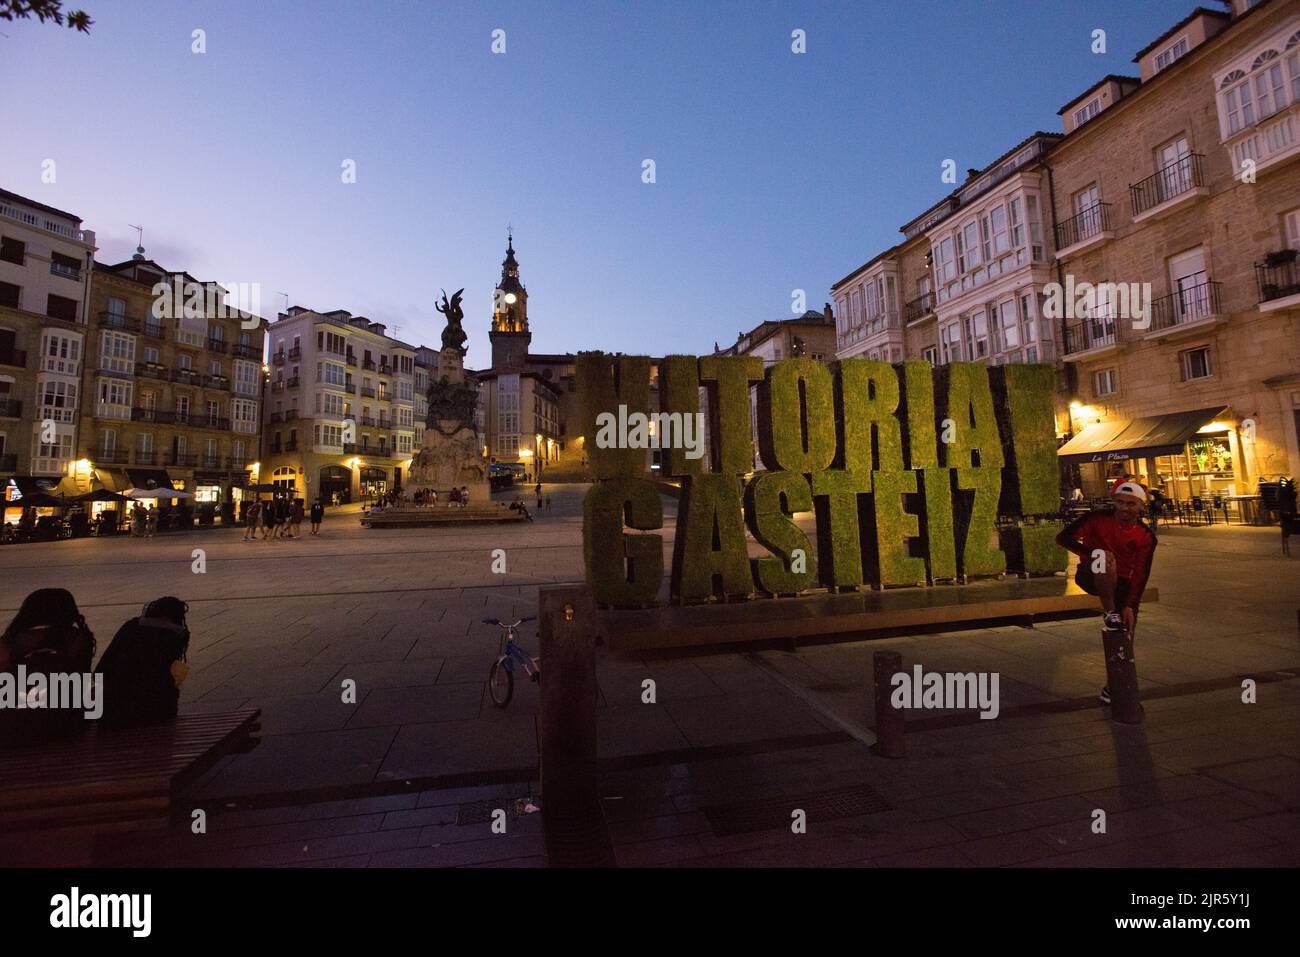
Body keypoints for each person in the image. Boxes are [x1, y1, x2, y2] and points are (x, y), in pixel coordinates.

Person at [1056, 480, 1157, 705]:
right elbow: (1063, 538)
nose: (1124, 508)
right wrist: (1090, 552)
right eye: (1120, 502)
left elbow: (1141, 573)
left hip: (1122, 585)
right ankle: (1109, 611)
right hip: (1092, 573)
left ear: (1141, 505)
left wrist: (1131, 605)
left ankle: (1114, 687)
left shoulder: (1145, 536)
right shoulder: (1097, 519)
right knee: (1104, 556)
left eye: (1131, 504)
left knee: (1126, 634)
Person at [0, 588, 96, 745]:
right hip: (67, 723)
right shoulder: (79, 638)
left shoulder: (13, 640)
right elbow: (82, 680)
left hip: (15, 722)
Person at [94, 597, 191, 729]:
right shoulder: (178, 634)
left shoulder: (130, 627)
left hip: (112, 706)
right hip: (153, 707)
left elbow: (104, 666)